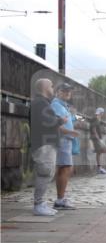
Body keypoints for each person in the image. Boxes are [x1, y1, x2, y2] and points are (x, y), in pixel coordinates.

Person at [30, 78, 63, 216]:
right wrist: (60, 120)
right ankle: (39, 205)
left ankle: (41, 203)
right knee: (45, 173)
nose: (53, 88)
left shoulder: (41, 103)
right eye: (51, 85)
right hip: (44, 145)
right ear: (45, 88)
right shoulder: (40, 103)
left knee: (46, 173)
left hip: (45, 145)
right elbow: (47, 122)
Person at [50, 83, 81, 209]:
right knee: (65, 168)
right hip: (62, 140)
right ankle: (60, 200)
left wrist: (74, 118)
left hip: (66, 140)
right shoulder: (56, 105)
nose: (68, 93)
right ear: (57, 91)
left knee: (65, 168)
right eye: (64, 90)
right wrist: (70, 132)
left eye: (69, 91)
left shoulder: (64, 106)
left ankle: (61, 199)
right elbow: (56, 124)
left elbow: (69, 122)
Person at [90, 107, 106, 174]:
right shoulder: (95, 118)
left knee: (100, 152)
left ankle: (100, 168)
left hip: (97, 138)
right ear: (101, 113)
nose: (102, 114)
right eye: (102, 113)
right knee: (104, 150)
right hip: (96, 138)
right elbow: (93, 128)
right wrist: (97, 136)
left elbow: (96, 126)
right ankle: (99, 168)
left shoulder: (97, 118)